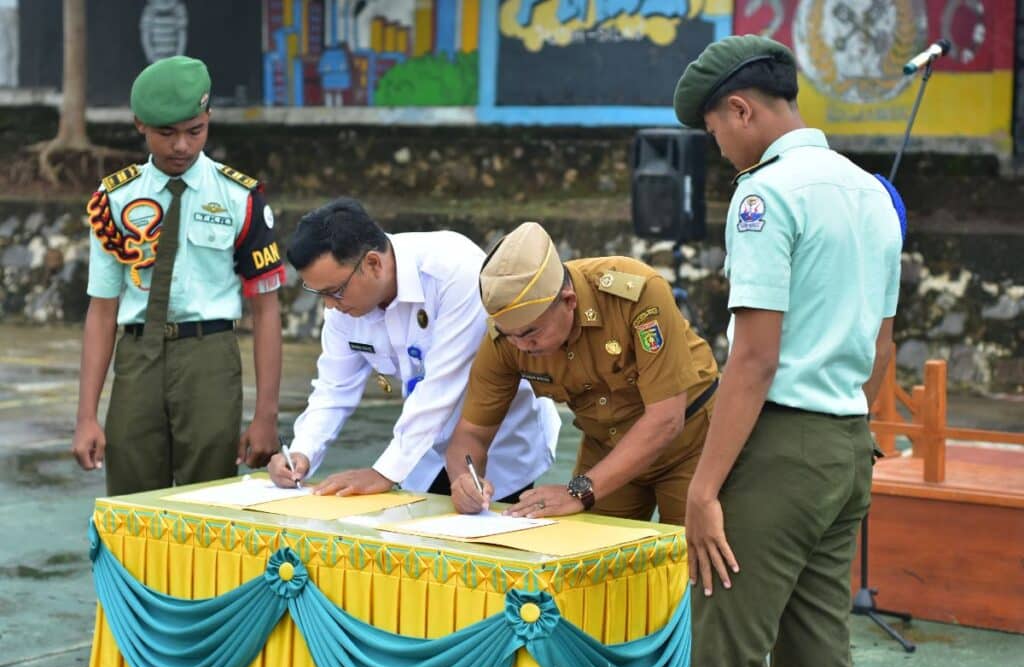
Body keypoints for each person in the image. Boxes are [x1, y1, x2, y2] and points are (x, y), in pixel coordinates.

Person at [673, 35, 902, 667]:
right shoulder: (872, 194)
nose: (719, 148)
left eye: (716, 129)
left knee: (724, 651)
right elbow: (883, 343)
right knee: (817, 653)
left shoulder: (763, 197)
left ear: (741, 110)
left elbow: (753, 361)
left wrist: (704, 487)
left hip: (780, 449)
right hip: (848, 448)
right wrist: (851, 428)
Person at [72, 56, 285, 494]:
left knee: (209, 502)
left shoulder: (240, 198)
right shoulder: (113, 199)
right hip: (136, 360)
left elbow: (266, 311)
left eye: (195, 131)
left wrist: (266, 415)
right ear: (140, 126)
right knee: (133, 503)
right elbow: (102, 310)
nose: (182, 147)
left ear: (208, 120)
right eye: (166, 134)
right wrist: (86, 416)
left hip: (209, 357)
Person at [267, 198, 559, 502]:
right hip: (419, 449)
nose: (329, 305)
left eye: (334, 292)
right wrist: (301, 452)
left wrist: (384, 473)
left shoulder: (454, 270)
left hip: (499, 441)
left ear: (373, 263)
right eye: (320, 294)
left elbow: (441, 386)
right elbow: (334, 388)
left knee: (486, 529)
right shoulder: (344, 304)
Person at [443, 221, 719, 524]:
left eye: (531, 332)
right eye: (511, 335)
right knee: (589, 562)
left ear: (569, 301)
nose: (521, 345)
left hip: (691, 443)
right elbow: (470, 434)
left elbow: (666, 419)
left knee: (700, 555)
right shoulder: (507, 338)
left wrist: (578, 493)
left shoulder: (635, 293)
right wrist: (463, 480)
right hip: (607, 446)